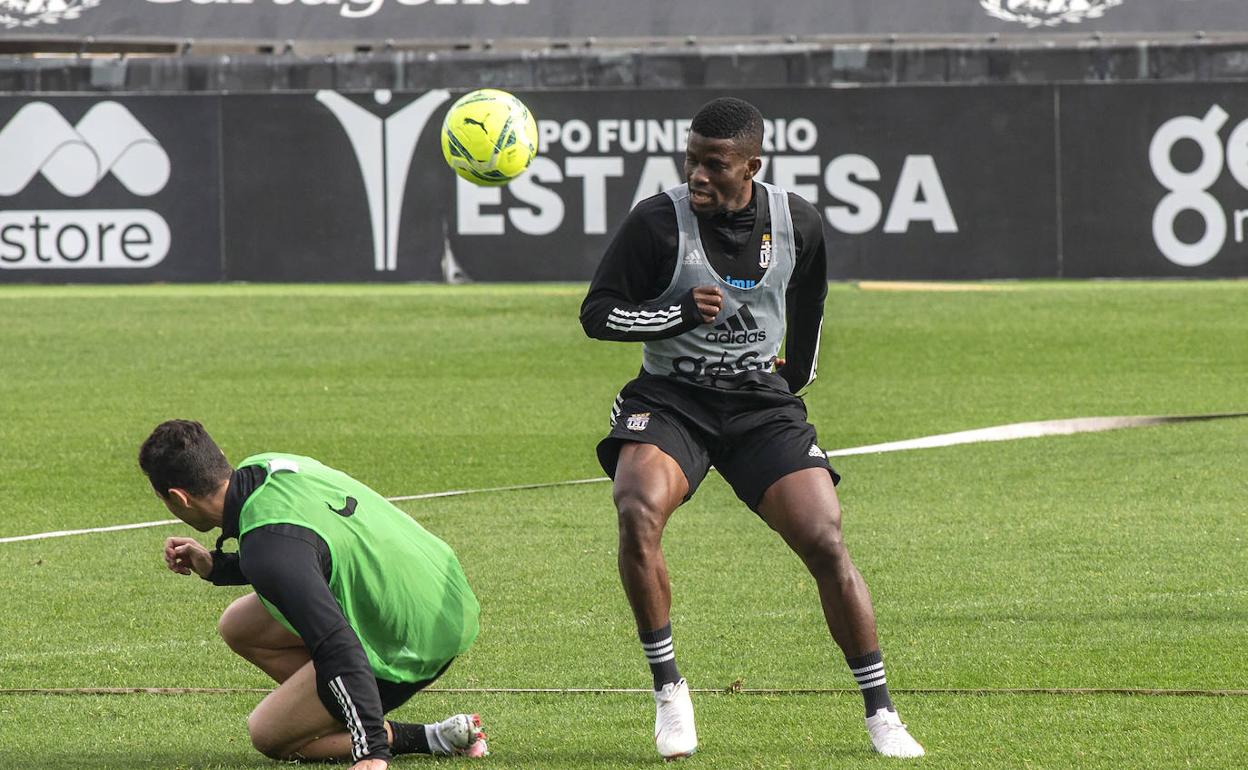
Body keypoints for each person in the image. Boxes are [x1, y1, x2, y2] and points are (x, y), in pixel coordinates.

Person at [579, 97, 924, 760]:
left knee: (825, 538)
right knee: (636, 508)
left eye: (714, 164)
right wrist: (673, 316)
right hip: (673, 400)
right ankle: (670, 691)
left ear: (752, 165)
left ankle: (882, 713)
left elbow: (810, 310)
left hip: (759, 408)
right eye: (691, 160)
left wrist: (787, 385)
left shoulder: (798, 222)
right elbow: (597, 315)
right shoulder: (656, 222)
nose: (697, 176)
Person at [138, 419, 487, 770]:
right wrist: (216, 566)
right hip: (441, 589)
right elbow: (299, 549)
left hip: (417, 636)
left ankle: (424, 737)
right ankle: (343, 710)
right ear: (220, 457)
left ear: (178, 498)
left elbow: (336, 642)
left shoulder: (269, 549)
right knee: (239, 625)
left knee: (268, 733)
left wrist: (372, 753)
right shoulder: (267, 466)